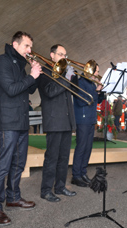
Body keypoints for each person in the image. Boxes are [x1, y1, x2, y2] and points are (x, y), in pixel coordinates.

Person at [0, 31, 41, 226]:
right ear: (15, 44)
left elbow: (28, 89)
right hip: (7, 123)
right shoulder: (1, 62)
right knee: (2, 166)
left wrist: (35, 75)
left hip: (20, 122)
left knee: (19, 163)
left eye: (30, 47)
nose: (30, 50)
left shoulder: (20, 66)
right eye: (27, 46)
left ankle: (13, 197)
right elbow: (11, 90)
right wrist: (31, 76)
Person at [37, 44, 77, 203]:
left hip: (66, 121)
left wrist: (74, 78)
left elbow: (73, 93)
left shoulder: (63, 73)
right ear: (52, 55)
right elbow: (50, 92)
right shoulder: (44, 72)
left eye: (65, 55)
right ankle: (46, 190)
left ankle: (60, 187)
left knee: (64, 157)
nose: (64, 57)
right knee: (52, 158)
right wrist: (66, 79)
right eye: (61, 54)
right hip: (54, 121)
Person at [72, 65, 104, 187]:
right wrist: (96, 91)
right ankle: (76, 175)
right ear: (89, 70)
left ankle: (83, 172)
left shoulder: (91, 83)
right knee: (81, 147)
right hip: (82, 118)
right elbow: (82, 100)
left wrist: (99, 90)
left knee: (88, 147)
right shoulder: (80, 82)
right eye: (96, 71)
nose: (97, 73)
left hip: (90, 118)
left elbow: (97, 100)